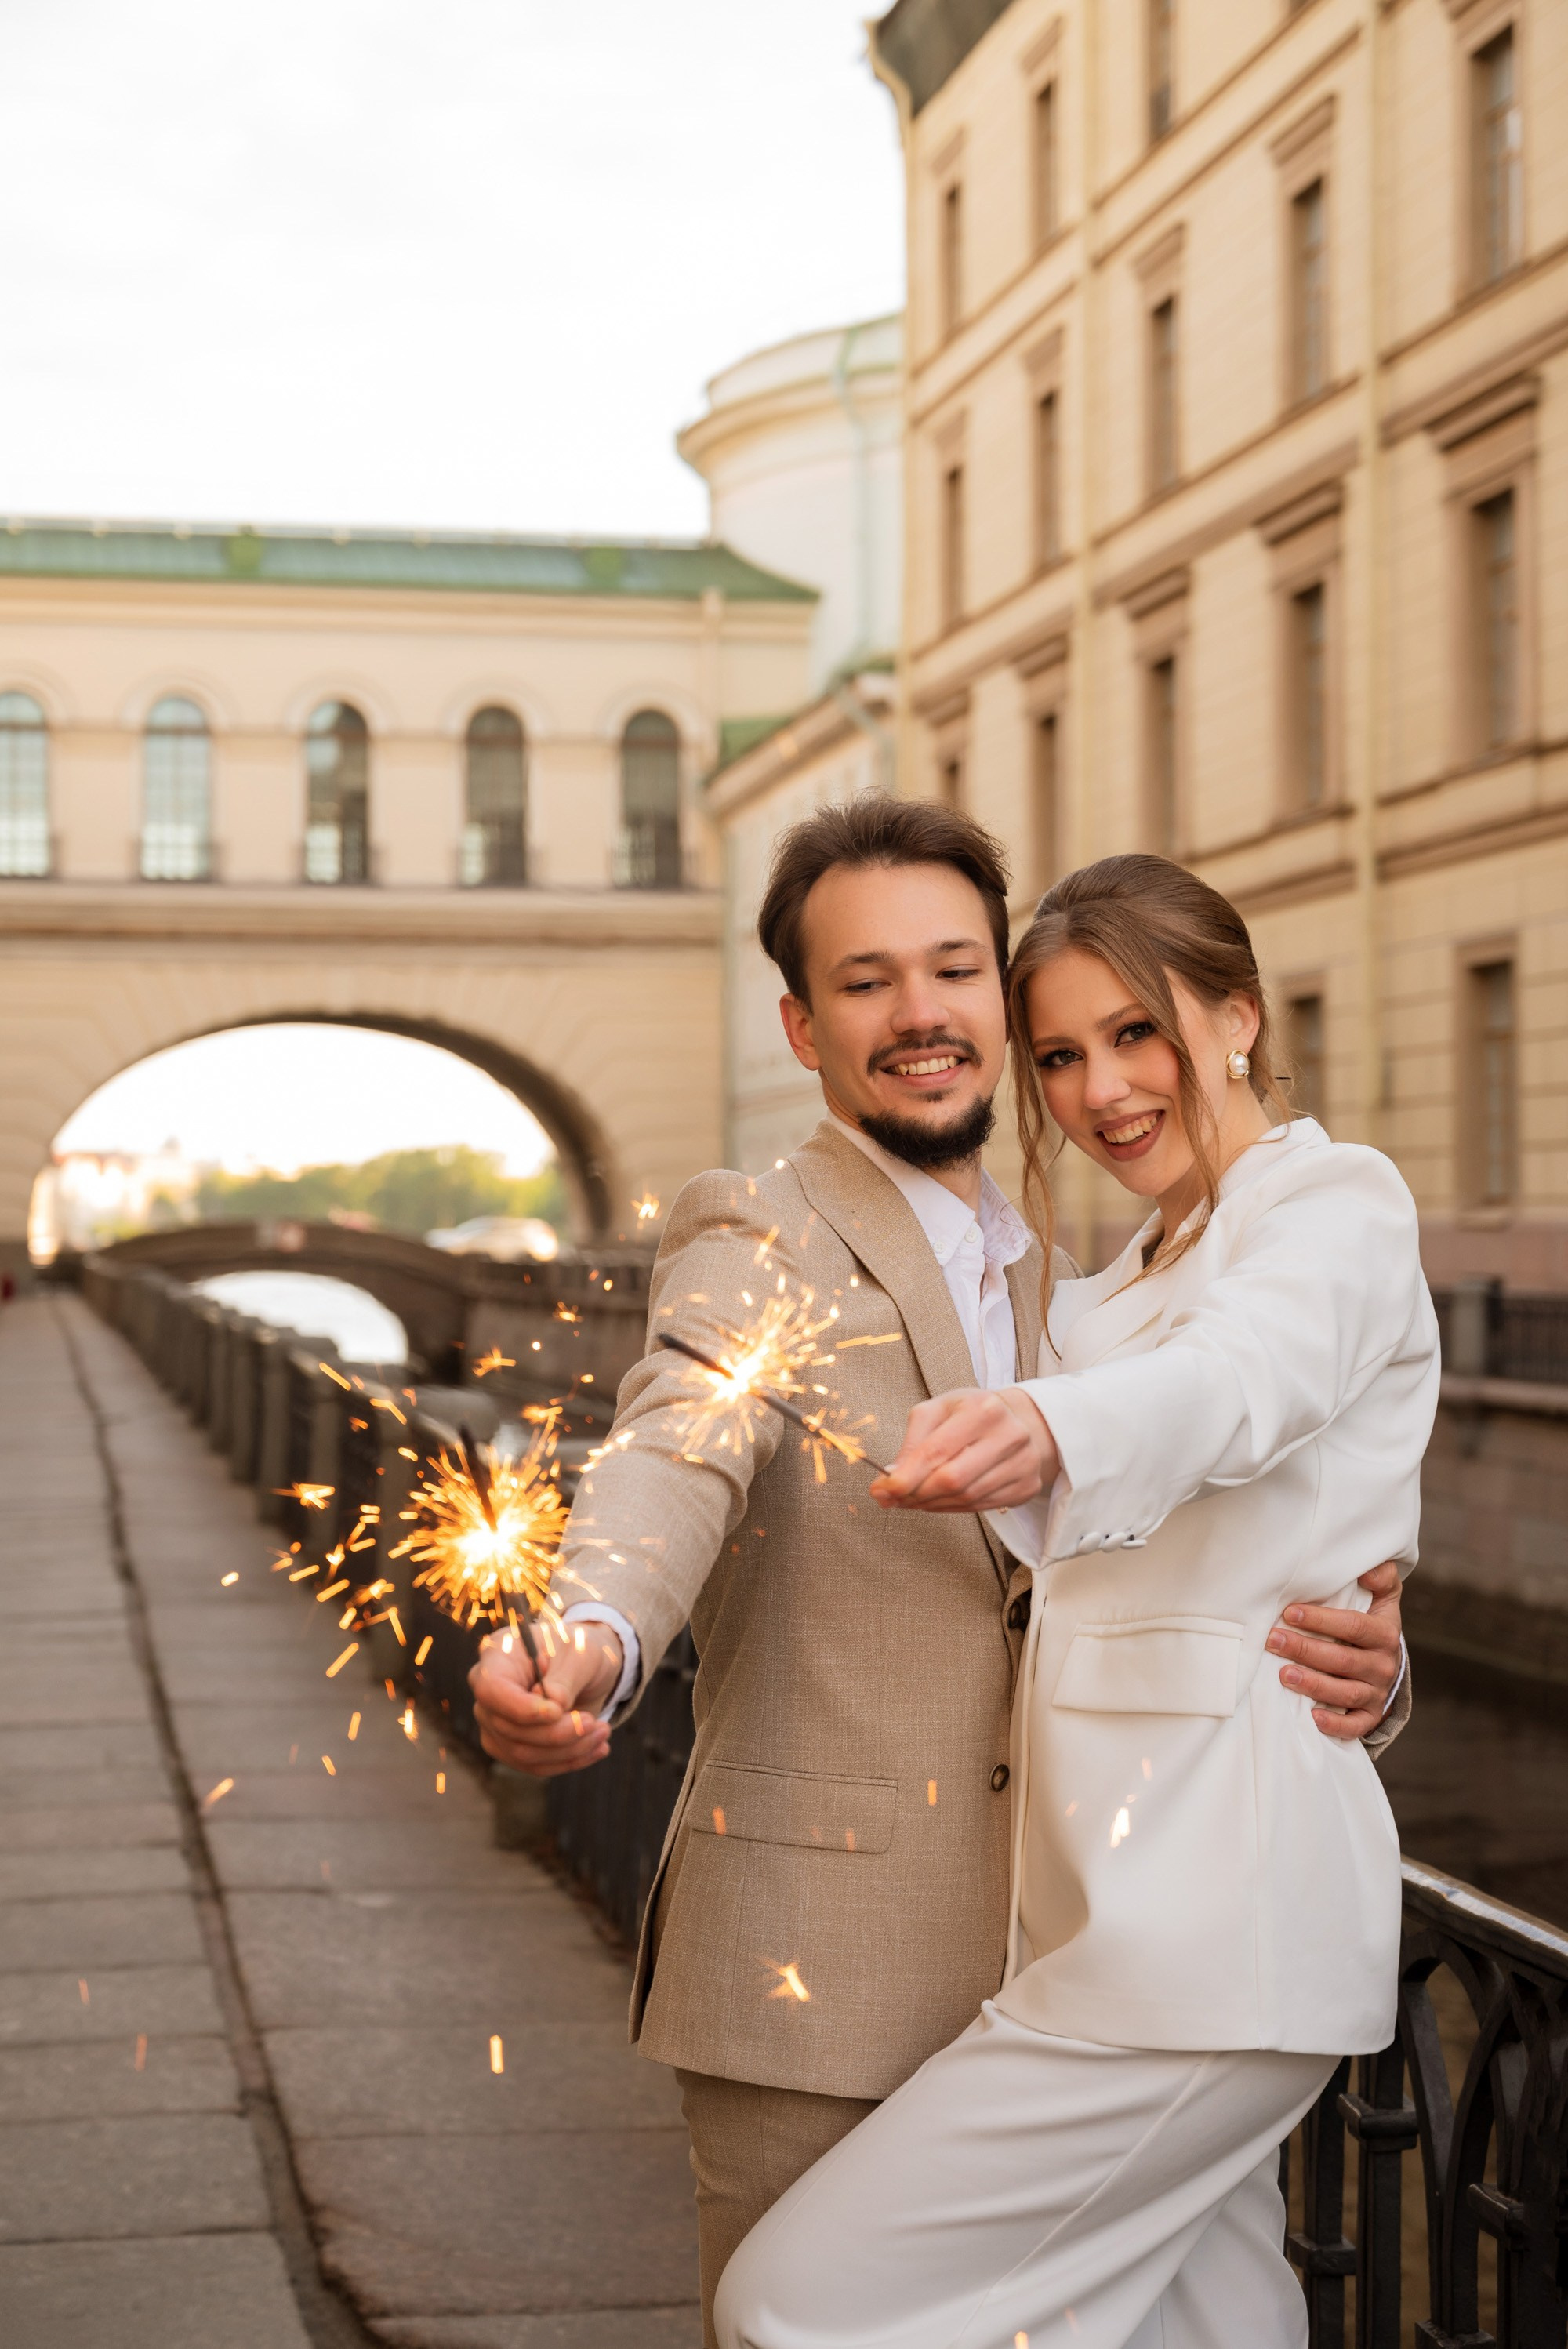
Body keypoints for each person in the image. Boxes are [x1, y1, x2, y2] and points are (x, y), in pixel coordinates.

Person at [469, 805, 1410, 2347]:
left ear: (999, 995)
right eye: (865, 980)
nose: (918, 1012)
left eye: (954, 968)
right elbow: (676, 1443)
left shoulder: (1080, 1283)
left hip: (1092, 1973)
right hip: (820, 1980)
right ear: (801, 1022)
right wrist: (592, 1628)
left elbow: (1224, 1534)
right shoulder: (751, 1233)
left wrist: (1366, 1668)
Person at [715, 853, 1439, 2349]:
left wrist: (1056, 1430)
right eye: (1057, 1054)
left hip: (1206, 1934)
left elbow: (1250, 1383)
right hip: (1103, 1919)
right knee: (1211, 2329)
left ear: (1235, 1018)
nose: (1099, 1089)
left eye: (1137, 1033)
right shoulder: (1103, 1284)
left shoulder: (1334, 1205)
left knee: (792, 2307)